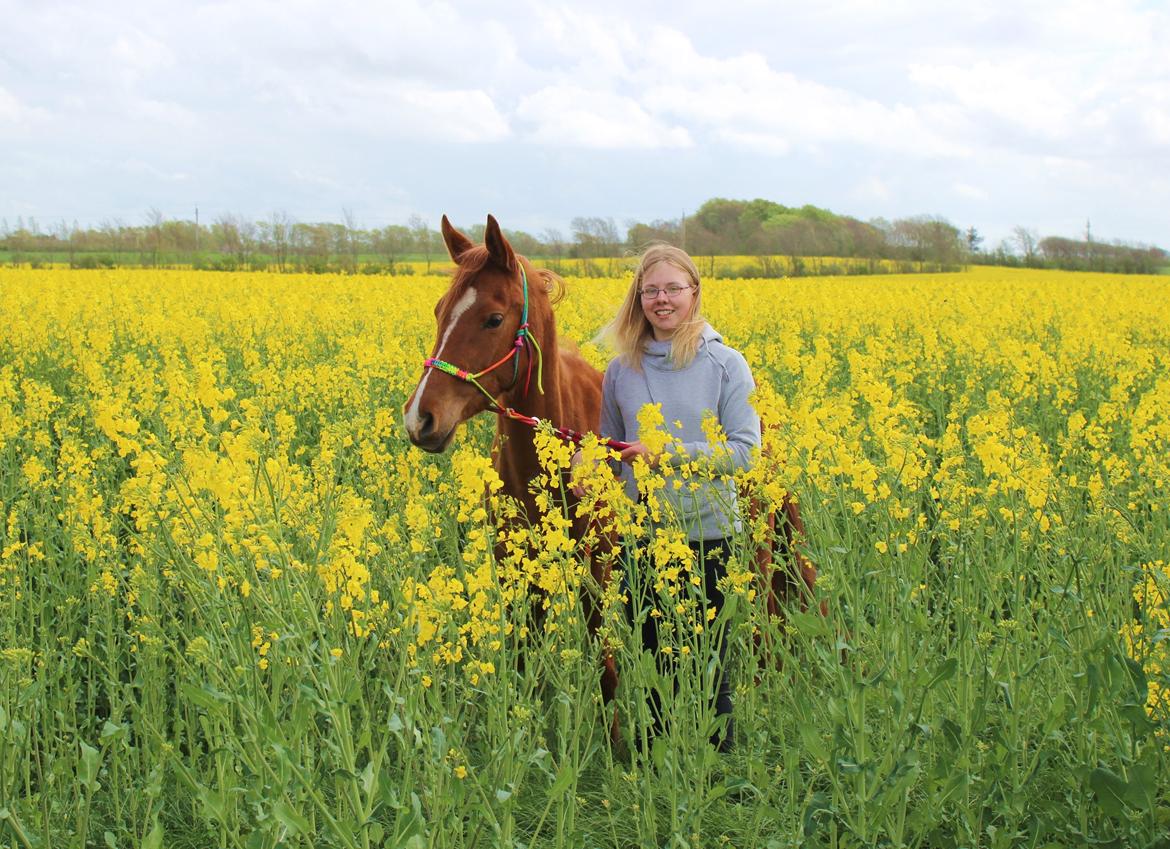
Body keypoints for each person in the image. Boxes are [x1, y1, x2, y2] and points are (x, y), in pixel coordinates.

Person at [574, 243, 761, 753]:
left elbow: (746, 454)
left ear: (694, 293)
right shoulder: (621, 371)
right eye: (651, 289)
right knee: (653, 660)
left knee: (709, 659)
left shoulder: (726, 364)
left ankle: (718, 768)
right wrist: (586, 463)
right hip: (645, 535)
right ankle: (661, 765)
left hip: (709, 533)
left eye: (673, 289)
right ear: (638, 297)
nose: (662, 299)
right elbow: (614, 450)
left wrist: (667, 455)